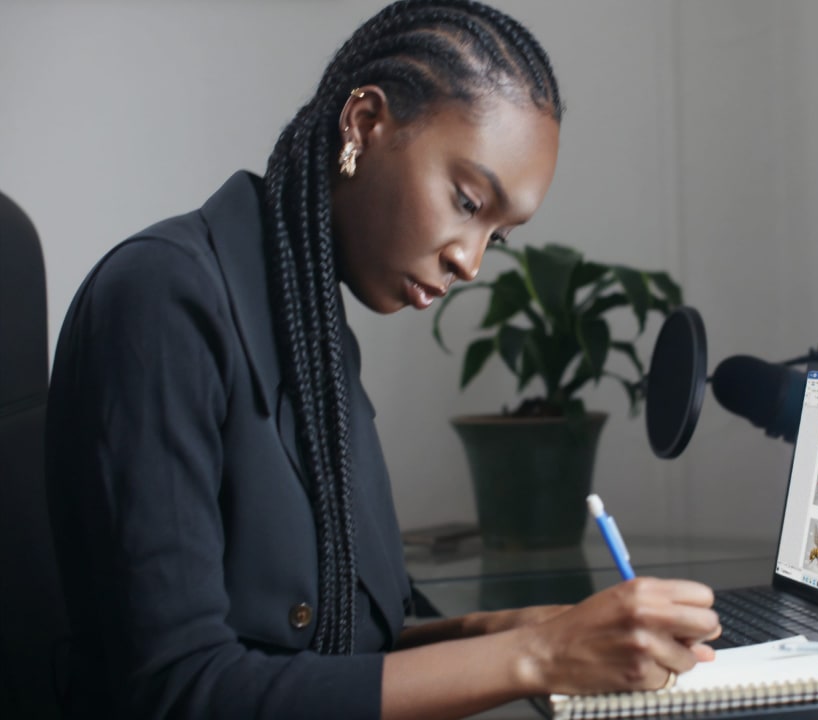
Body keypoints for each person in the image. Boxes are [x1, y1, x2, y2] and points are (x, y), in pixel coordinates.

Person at [43, 1, 720, 718]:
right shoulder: (161, 299)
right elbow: (180, 691)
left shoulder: (313, 328)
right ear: (364, 124)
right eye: (466, 200)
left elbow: (343, 651)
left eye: (500, 234)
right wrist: (536, 657)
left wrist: (518, 629)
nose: (470, 261)